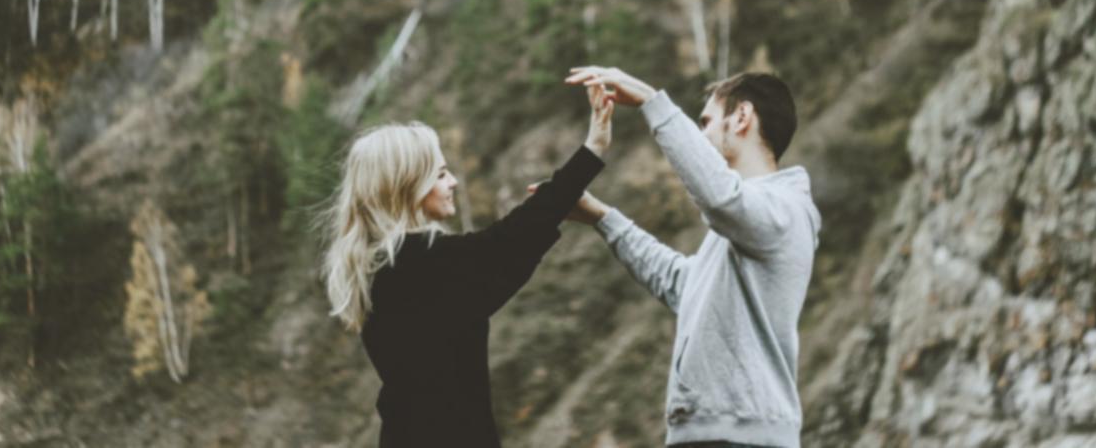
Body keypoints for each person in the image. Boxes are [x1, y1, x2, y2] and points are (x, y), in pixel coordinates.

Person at [321, 85, 614, 447]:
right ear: (407, 185)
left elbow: (503, 247)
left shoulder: (380, 268)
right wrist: (592, 150)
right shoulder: (419, 265)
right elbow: (509, 242)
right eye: (441, 174)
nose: (453, 182)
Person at [564, 66, 822, 448]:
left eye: (706, 121)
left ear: (742, 117)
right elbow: (680, 284)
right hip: (711, 434)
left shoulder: (786, 211)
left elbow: (719, 195)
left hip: (743, 437)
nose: (700, 134)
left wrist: (651, 101)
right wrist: (603, 218)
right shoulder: (745, 225)